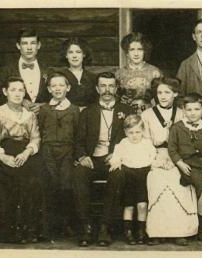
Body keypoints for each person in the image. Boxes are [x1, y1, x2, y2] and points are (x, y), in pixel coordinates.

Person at [72, 72, 134, 247]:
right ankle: (87, 226)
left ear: (116, 88)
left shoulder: (126, 110)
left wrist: (117, 154)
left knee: (118, 176)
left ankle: (105, 227)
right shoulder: (87, 112)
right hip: (93, 158)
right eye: (103, 86)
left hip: (115, 158)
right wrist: (83, 156)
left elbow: (132, 138)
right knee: (78, 174)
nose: (107, 90)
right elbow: (78, 140)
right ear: (98, 89)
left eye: (111, 86)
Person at [142, 76, 198, 246]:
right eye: (159, 92)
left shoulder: (182, 113)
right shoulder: (147, 114)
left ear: (175, 93)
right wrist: (157, 159)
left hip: (178, 158)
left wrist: (175, 159)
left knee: (179, 180)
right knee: (156, 179)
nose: (163, 96)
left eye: (167, 92)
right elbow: (145, 142)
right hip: (156, 157)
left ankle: (179, 231)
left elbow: (189, 141)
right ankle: (158, 232)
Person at [0, 76, 43, 243]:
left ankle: (29, 228)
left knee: (34, 181)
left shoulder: (30, 115)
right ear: (5, 92)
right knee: (7, 182)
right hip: (6, 154)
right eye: (13, 90)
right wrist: (4, 157)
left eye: (21, 90)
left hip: (25, 154)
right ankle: (10, 230)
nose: (18, 94)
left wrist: (26, 153)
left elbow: (36, 138)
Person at [38, 72, 80, 243]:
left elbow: (77, 134)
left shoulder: (74, 109)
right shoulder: (44, 109)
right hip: (48, 151)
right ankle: (48, 227)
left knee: (65, 185)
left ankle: (65, 223)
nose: (57, 88)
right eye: (53, 85)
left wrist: (76, 155)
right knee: (50, 184)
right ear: (49, 89)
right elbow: (40, 130)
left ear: (68, 88)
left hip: (67, 151)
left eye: (61, 85)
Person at [168, 93, 202, 242]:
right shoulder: (177, 128)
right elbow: (172, 149)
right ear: (183, 110)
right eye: (189, 110)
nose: (193, 113)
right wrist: (180, 163)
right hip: (188, 166)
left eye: (196, 109)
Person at [109, 115, 157, 245]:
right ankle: (128, 232)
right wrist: (116, 161)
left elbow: (154, 157)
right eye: (131, 132)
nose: (134, 136)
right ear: (125, 132)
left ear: (142, 131)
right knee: (129, 205)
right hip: (128, 175)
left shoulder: (147, 143)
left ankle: (141, 231)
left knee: (142, 205)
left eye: (137, 132)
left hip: (143, 175)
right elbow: (115, 157)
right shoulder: (123, 144)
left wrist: (157, 163)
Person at [2, 28, 50, 114]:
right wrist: (20, 101)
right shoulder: (8, 70)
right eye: (24, 43)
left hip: (43, 121)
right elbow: (0, 96)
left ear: (38, 45)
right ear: (18, 46)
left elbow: (55, 96)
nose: (29, 48)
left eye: (33, 43)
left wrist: (43, 106)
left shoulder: (47, 69)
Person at [116, 32, 161, 105]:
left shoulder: (154, 72)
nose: (136, 54)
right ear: (127, 53)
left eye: (140, 49)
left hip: (149, 112)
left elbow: (160, 97)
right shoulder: (120, 73)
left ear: (145, 51)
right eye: (132, 49)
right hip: (126, 112)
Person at [53, 37, 98, 110]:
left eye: (78, 52)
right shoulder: (59, 76)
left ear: (84, 54)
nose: (74, 56)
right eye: (70, 52)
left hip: (88, 117)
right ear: (66, 55)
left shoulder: (93, 77)